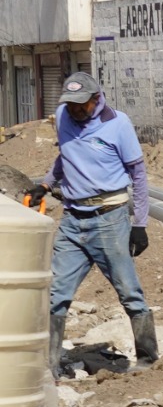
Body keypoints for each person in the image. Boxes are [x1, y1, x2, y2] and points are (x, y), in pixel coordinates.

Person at [35, 71, 156, 374]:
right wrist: (47, 184)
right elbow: (66, 156)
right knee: (55, 293)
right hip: (72, 220)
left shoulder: (118, 124)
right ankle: (47, 367)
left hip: (109, 219)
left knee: (128, 291)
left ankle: (148, 360)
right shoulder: (62, 117)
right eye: (71, 103)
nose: (75, 109)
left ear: (96, 98)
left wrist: (140, 224)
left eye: (81, 103)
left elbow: (139, 176)